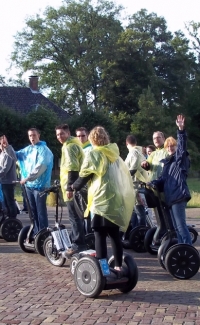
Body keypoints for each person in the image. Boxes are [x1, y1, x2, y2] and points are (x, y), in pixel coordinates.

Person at [72, 126, 135, 275]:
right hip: (115, 200)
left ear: (92, 139)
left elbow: (84, 177)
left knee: (99, 235)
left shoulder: (94, 154)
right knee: (114, 235)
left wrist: (73, 186)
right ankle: (119, 266)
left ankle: (104, 270)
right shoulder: (114, 154)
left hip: (101, 201)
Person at [150, 115, 192, 245]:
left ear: (175, 146)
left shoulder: (179, 159)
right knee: (176, 228)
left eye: (172, 146)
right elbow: (163, 179)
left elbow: (182, 147)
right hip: (171, 198)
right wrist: (153, 183)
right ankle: (181, 248)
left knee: (181, 227)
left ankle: (187, 249)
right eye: (168, 147)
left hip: (178, 196)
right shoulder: (168, 163)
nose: (170, 148)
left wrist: (180, 130)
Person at [16, 128, 53, 242]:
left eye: (34, 135)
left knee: (41, 212)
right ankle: (36, 232)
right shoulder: (29, 149)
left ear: (39, 135)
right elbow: (16, 155)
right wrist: (5, 148)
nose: (32, 137)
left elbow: (40, 167)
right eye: (30, 136)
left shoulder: (45, 150)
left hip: (40, 186)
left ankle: (44, 235)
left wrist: (27, 178)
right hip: (29, 186)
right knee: (32, 212)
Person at [55, 123, 87, 256]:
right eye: (57, 134)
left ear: (68, 133)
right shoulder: (73, 144)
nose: (59, 136)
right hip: (76, 186)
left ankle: (78, 244)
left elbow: (73, 168)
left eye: (62, 133)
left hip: (73, 188)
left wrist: (69, 187)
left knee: (74, 217)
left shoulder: (70, 146)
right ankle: (78, 239)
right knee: (77, 216)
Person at [125, 135, 149, 228]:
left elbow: (133, 168)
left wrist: (124, 178)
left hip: (136, 186)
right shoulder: (139, 152)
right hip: (135, 185)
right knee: (135, 211)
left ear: (127, 143)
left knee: (140, 211)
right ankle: (135, 230)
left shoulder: (134, 152)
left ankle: (141, 231)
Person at [0, 134, 18, 218]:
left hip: (9, 181)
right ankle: (8, 218)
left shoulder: (8, 154)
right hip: (4, 181)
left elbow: (5, 169)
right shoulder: (2, 154)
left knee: (10, 201)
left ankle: (12, 219)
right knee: (6, 202)